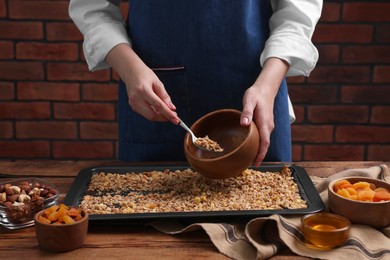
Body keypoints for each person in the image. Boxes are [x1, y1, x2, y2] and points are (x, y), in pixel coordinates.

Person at [69, 0, 322, 166]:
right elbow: (92, 7)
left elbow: (297, 11)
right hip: (157, 98)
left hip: (259, 91)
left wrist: (267, 85)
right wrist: (129, 68)